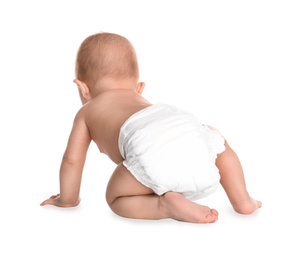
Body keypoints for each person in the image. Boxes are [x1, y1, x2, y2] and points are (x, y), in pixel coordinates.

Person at [40, 32, 262, 223]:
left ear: (82, 88)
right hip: (182, 125)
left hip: (148, 144)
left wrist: (67, 200)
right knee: (217, 142)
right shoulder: (141, 100)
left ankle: (164, 206)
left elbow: (72, 161)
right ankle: (242, 200)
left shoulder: (87, 111)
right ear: (139, 88)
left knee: (115, 198)